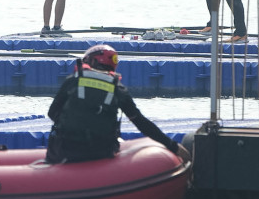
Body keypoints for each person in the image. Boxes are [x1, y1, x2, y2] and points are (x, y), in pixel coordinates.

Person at [46, 44, 191, 164]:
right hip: (101, 151)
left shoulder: (73, 80)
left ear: (91, 61)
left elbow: (52, 113)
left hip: (66, 150)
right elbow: (140, 122)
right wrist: (173, 146)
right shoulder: (117, 88)